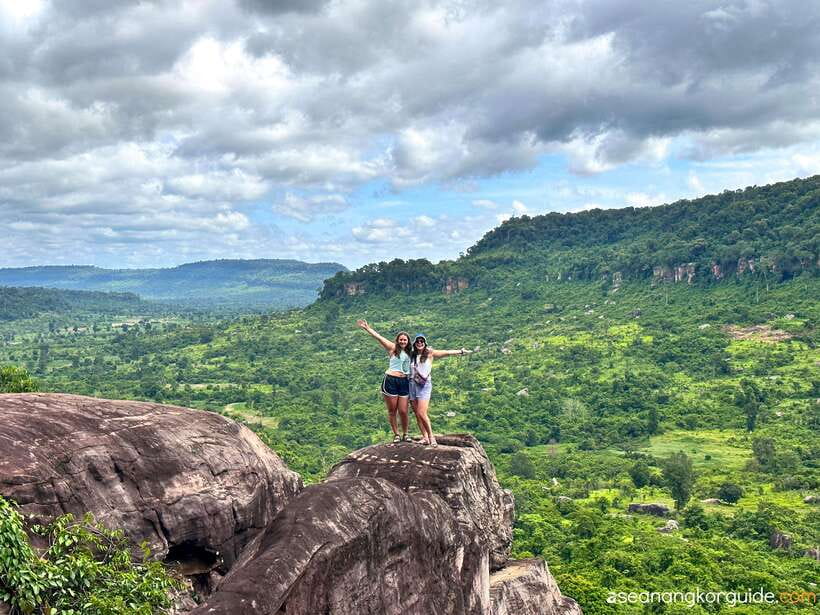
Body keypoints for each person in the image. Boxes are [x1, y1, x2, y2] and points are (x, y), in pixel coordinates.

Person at [409, 333, 472, 447]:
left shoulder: (430, 353)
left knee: (421, 412)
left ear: (425, 343)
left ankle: (431, 437)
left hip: (424, 385)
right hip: (412, 384)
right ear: (414, 343)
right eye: (417, 341)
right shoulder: (412, 355)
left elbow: (447, 352)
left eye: (421, 341)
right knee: (417, 414)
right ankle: (425, 437)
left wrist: (461, 352)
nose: (419, 343)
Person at [357, 319, 412, 443]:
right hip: (391, 381)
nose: (403, 341)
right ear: (397, 340)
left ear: (408, 341)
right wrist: (367, 328)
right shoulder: (392, 348)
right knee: (392, 410)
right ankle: (396, 434)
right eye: (401, 339)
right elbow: (379, 337)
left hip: (404, 382)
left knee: (403, 411)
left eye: (405, 339)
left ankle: (406, 433)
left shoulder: (411, 352)